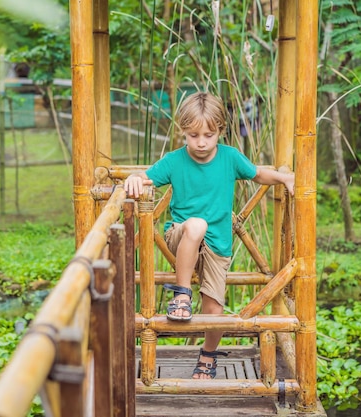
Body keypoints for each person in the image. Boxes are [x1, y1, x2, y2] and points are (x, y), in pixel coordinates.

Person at [123, 92, 295, 380]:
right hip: (182, 237)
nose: (201, 142)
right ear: (183, 133)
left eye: (208, 135)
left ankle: (208, 355)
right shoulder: (175, 161)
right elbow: (145, 176)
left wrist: (283, 178)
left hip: (218, 245)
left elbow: (257, 174)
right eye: (193, 135)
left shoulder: (229, 157)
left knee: (214, 308)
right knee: (196, 225)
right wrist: (133, 178)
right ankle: (181, 296)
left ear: (220, 132)